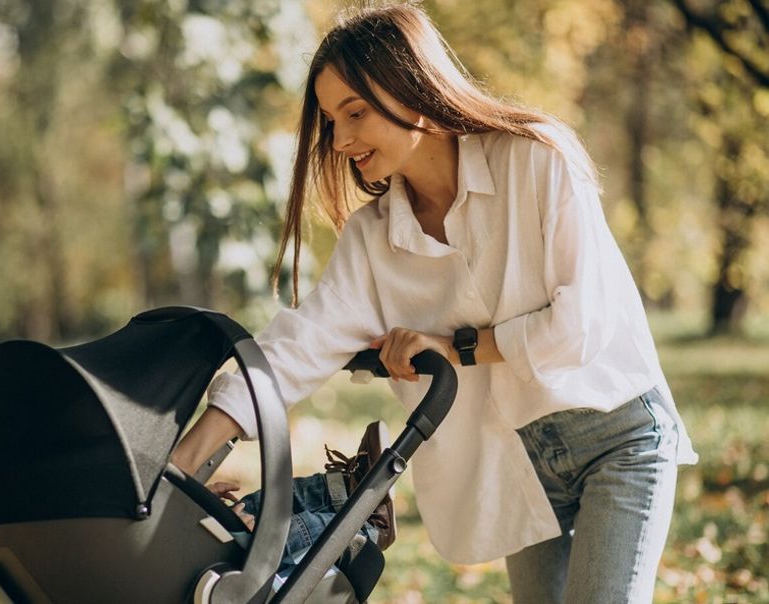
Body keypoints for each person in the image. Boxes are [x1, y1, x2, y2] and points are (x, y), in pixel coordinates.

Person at [173, 4, 697, 603]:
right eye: (331, 121)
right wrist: (186, 464)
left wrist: (455, 348)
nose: (340, 141)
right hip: (520, 467)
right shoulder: (373, 240)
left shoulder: (537, 159)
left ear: (411, 87)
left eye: (355, 113)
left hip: (618, 437)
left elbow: (581, 323)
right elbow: (297, 346)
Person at [207, 421, 395, 581]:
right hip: (220, 568)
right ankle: (368, 526)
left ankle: (341, 492)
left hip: (193, 546)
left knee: (251, 508)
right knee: (263, 535)